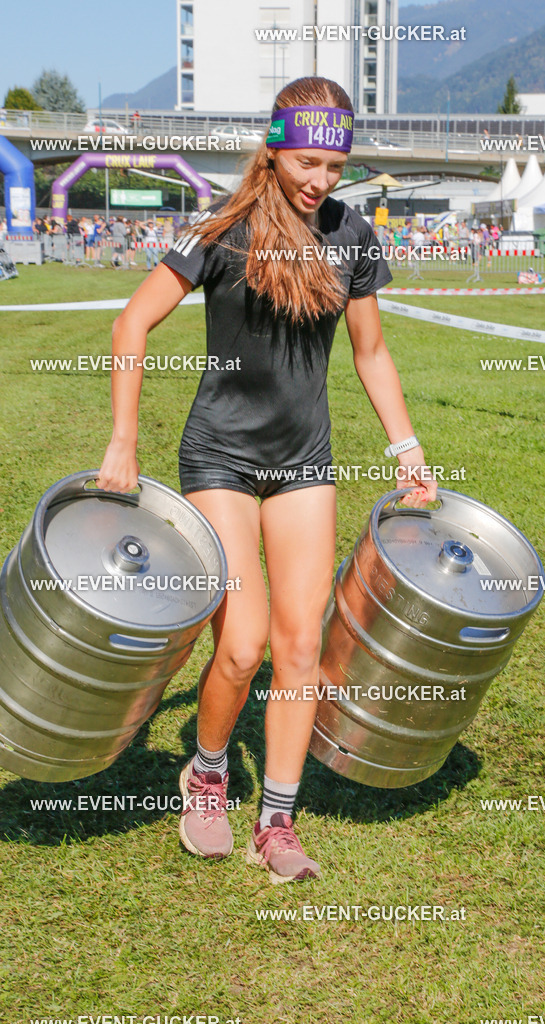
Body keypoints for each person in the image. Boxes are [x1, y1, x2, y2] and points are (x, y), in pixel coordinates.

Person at [96, 76, 436, 883]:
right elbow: (130, 322)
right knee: (241, 647)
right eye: (307, 160)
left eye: (334, 165)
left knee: (300, 647)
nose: (319, 179)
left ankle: (275, 822)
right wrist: (122, 442)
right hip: (218, 456)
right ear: (275, 148)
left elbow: (371, 353)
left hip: (303, 460)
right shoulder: (224, 228)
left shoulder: (352, 235)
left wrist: (407, 448)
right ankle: (208, 773)